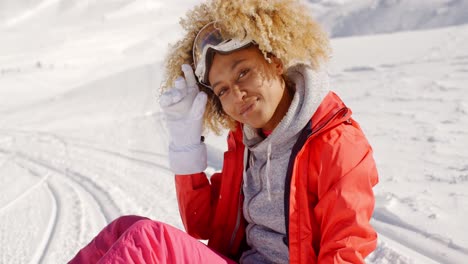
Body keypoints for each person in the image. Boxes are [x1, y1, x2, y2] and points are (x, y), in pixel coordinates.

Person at [68, 0, 379, 263]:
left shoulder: (336, 143)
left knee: (148, 240)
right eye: (222, 90)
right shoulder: (246, 143)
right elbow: (203, 225)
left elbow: (346, 246)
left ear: (275, 60)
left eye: (244, 72)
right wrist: (185, 145)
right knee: (125, 227)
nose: (237, 95)